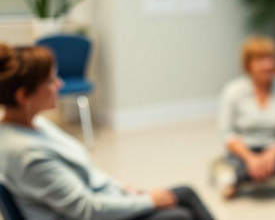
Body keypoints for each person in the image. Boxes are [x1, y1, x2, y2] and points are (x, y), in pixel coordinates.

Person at [0, 44, 215, 220]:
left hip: (102, 201)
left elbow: (87, 172)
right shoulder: (27, 155)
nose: (60, 84)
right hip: (91, 213)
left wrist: (126, 191)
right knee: (178, 216)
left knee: (185, 193)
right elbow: (86, 210)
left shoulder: (34, 124)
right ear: (23, 96)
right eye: (50, 80)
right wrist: (148, 202)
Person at [218, 36, 275, 198]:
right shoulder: (233, 91)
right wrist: (251, 158)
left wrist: (272, 154)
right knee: (236, 159)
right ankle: (250, 170)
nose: (267, 65)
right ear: (248, 65)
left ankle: (236, 178)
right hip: (246, 147)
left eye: (270, 58)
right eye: (260, 60)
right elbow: (227, 133)